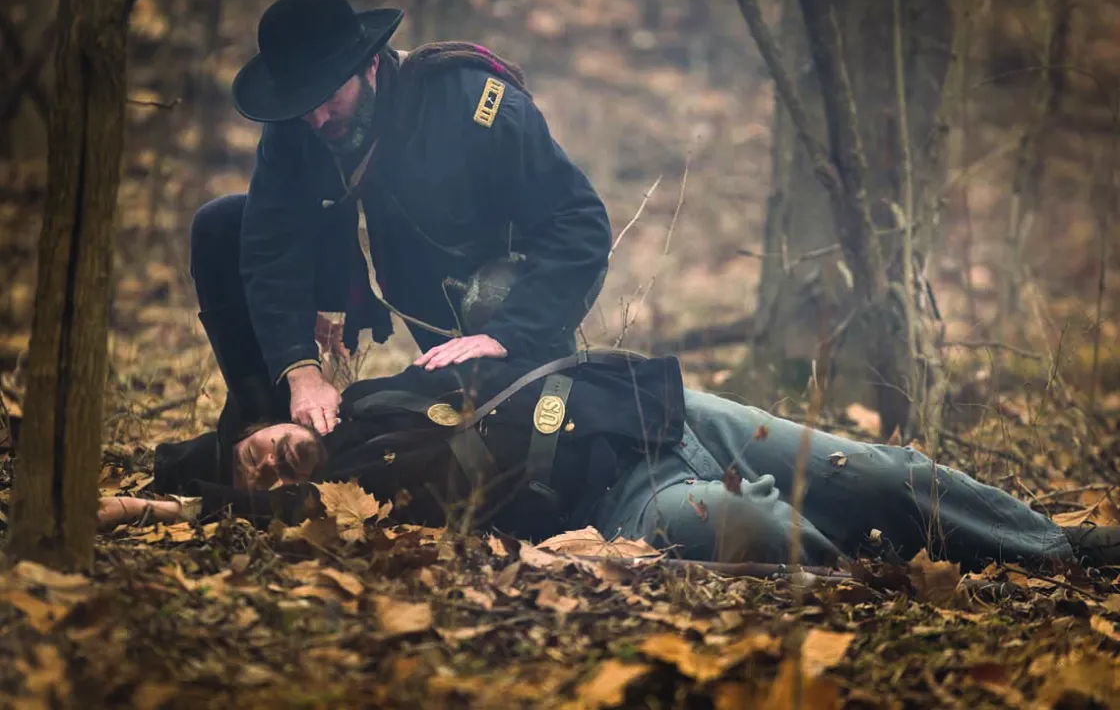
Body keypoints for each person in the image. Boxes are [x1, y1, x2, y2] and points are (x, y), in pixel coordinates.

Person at [98, 353, 1119, 574]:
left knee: (886, 474)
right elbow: (208, 508)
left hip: (654, 412)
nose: (278, 465)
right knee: (755, 536)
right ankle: (884, 576)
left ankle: (1062, 548)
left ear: (280, 418)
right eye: (265, 477)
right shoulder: (339, 510)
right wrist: (143, 505)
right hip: (629, 495)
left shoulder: (366, 396)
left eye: (263, 448)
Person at [190, 0, 611, 439]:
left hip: (473, 297)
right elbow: (271, 246)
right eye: (301, 106)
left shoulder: (474, 106)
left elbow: (579, 223)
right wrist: (300, 372)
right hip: (364, 267)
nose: (316, 120)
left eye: (330, 96)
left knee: (471, 404)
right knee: (223, 227)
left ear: (369, 64)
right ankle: (269, 426)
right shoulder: (297, 126)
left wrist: (508, 333)